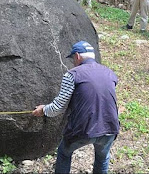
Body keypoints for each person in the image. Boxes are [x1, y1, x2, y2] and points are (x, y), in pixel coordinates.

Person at [32, 41, 120, 174]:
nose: (73, 62)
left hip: (83, 129)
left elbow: (58, 107)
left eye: (73, 58)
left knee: (64, 153)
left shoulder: (73, 75)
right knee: (102, 158)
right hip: (110, 127)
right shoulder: (110, 73)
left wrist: (43, 110)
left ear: (77, 56)